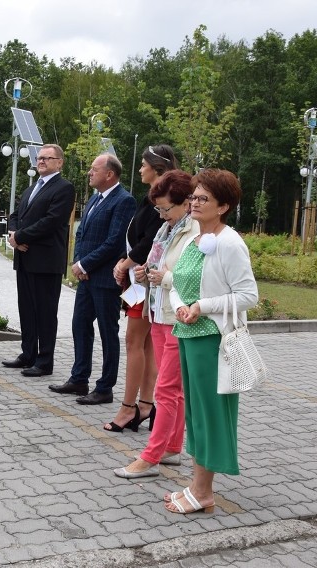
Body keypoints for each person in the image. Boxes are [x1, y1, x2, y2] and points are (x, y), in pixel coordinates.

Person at [162, 169, 258, 514]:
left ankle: (204, 492)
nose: (195, 203)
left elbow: (249, 295)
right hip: (189, 334)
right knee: (197, 415)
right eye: (194, 197)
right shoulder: (194, 239)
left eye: (203, 198)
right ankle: (196, 485)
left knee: (210, 415)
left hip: (213, 340)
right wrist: (182, 307)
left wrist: (203, 307)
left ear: (224, 206)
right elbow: (178, 283)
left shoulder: (230, 242)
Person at [113, 169, 199, 478]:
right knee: (172, 388)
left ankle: (150, 456)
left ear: (186, 202)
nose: (161, 215)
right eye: (158, 209)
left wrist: (165, 277)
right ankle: (172, 448)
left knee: (165, 389)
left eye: (166, 208)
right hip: (158, 313)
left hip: (178, 316)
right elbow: (157, 262)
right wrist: (144, 272)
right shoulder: (168, 229)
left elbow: (198, 279)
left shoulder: (195, 233)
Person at [49, 153, 136, 400]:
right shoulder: (95, 198)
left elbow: (114, 241)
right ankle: (79, 379)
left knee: (108, 333)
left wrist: (85, 264)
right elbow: (83, 234)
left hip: (105, 280)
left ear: (109, 174)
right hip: (86, 279)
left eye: (93, 169)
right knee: (80, 326)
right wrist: (78, 263)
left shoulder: (123, 200)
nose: (89, 172)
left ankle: (105, 387)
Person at [102, 146, 175, 427]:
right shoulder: (151, 199)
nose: (140, 170)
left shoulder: (163, 201)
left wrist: (126, 263)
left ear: (157, 169)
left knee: (136, 342)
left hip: (146, 282)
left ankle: (129, 407)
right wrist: (125, 261)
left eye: (144, 165)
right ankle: (145, 405)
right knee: (145, 344)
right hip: (139, 283)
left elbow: (149, 242)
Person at [2, 144, 76, 377]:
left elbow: (52, 221)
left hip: (45, 261)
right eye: (39, 157)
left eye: (47, 158)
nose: (41, 161)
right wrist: (14, 235)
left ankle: (44, 361)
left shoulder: (64, 188)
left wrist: (21, 237)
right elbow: (15, 216)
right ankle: (28, 354)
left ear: (59, 162)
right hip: (25, 258)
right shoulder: (32, 188)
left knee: (44, 311)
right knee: (27, 309)